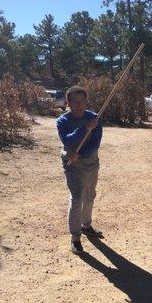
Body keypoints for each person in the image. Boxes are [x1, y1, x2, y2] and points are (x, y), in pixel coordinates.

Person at [56, 86, 103, 254]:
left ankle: (86, 225)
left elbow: (95, 143)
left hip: (90, 162)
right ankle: (75, 238)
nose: (79, 105)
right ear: (67, 103)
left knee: (90, 195)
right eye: (74, 102)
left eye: (82, 101)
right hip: (72, 164)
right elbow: (67, 140)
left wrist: (81, 154)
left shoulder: (94, 118)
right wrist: (84, 128)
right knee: (77, 198)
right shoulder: (62, 121)